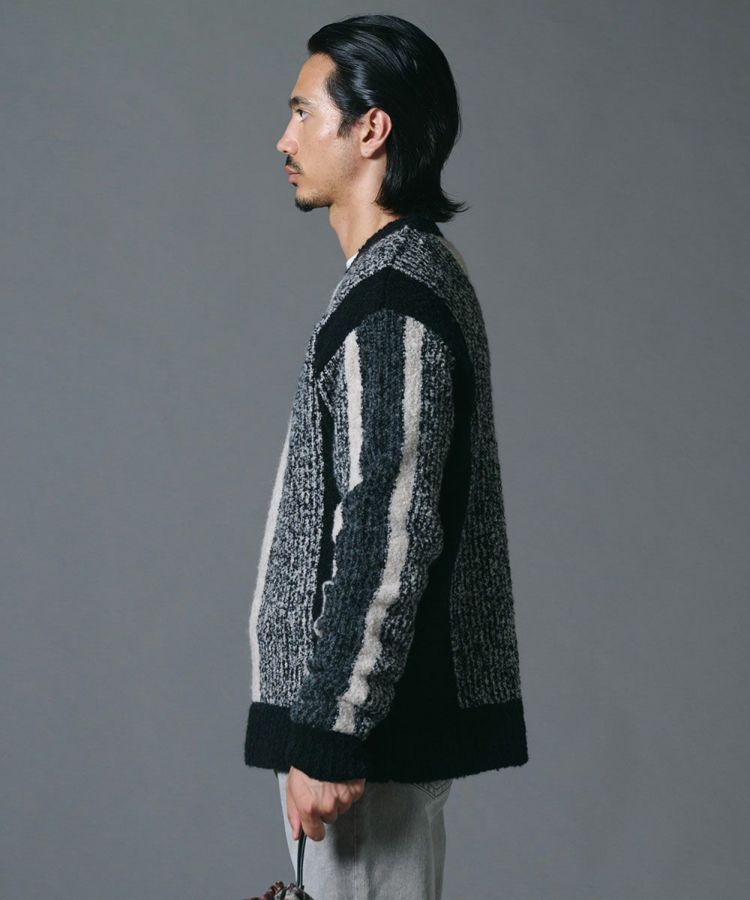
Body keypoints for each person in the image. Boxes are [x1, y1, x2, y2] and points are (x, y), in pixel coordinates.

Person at [244, 14, 529, 898]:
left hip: (364, 751)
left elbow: (387, 527)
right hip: (365, 742)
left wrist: (332, 730)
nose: (284, 138)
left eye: (303, 112)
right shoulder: (399, 277)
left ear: (371, 128)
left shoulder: (393, 300)